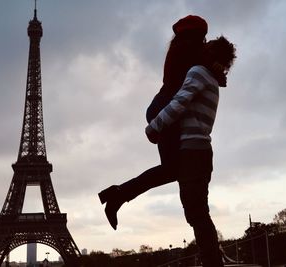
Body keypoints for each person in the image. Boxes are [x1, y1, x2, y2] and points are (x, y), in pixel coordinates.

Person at [99, 15, 208, 230]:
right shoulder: (190, 51)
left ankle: (117, 195)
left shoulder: (179, 50)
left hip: (159, 106)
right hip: (164, 110)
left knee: (171, 170)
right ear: (196, 35)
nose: (205, 40)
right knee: (172, 170)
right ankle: (117, 195)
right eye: (202, 36)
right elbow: (203, 71)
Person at [145, 36, 236, 266]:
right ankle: (212, 260)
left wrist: (154, 126)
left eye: (205, 47)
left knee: (197, 214)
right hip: (203, 153)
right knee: (198, 213)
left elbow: (179, 102)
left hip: (191, 152)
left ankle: (212, 262)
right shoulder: (213, 81)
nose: (200, 48)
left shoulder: (197, 73)